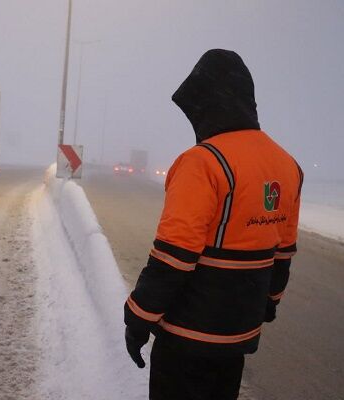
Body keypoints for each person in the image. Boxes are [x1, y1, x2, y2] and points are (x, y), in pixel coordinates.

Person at [124, 49, 303, 399]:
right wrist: (269, 301)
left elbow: (173, 257)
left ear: (207, 104)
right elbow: (284, 252)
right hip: (237, 337)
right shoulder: (287, 165)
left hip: (187, 337)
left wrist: (138, 317)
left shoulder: (202, 163)